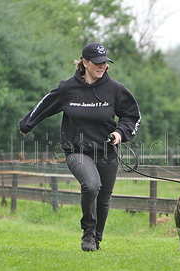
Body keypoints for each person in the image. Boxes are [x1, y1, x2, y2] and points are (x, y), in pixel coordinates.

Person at [19, 42, 141, 251]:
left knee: (103, 198)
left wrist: (119, 133)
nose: (102, 66)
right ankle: (88, 231)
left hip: (107, 151)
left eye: (105, 62)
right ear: (84, 63)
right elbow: (45, 104)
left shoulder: (115, 89)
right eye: (97, 62)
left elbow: (132, 116)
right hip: (77, 150)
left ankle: (96, 238)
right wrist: (26, 124)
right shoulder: (68, 88)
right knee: (92, 185)